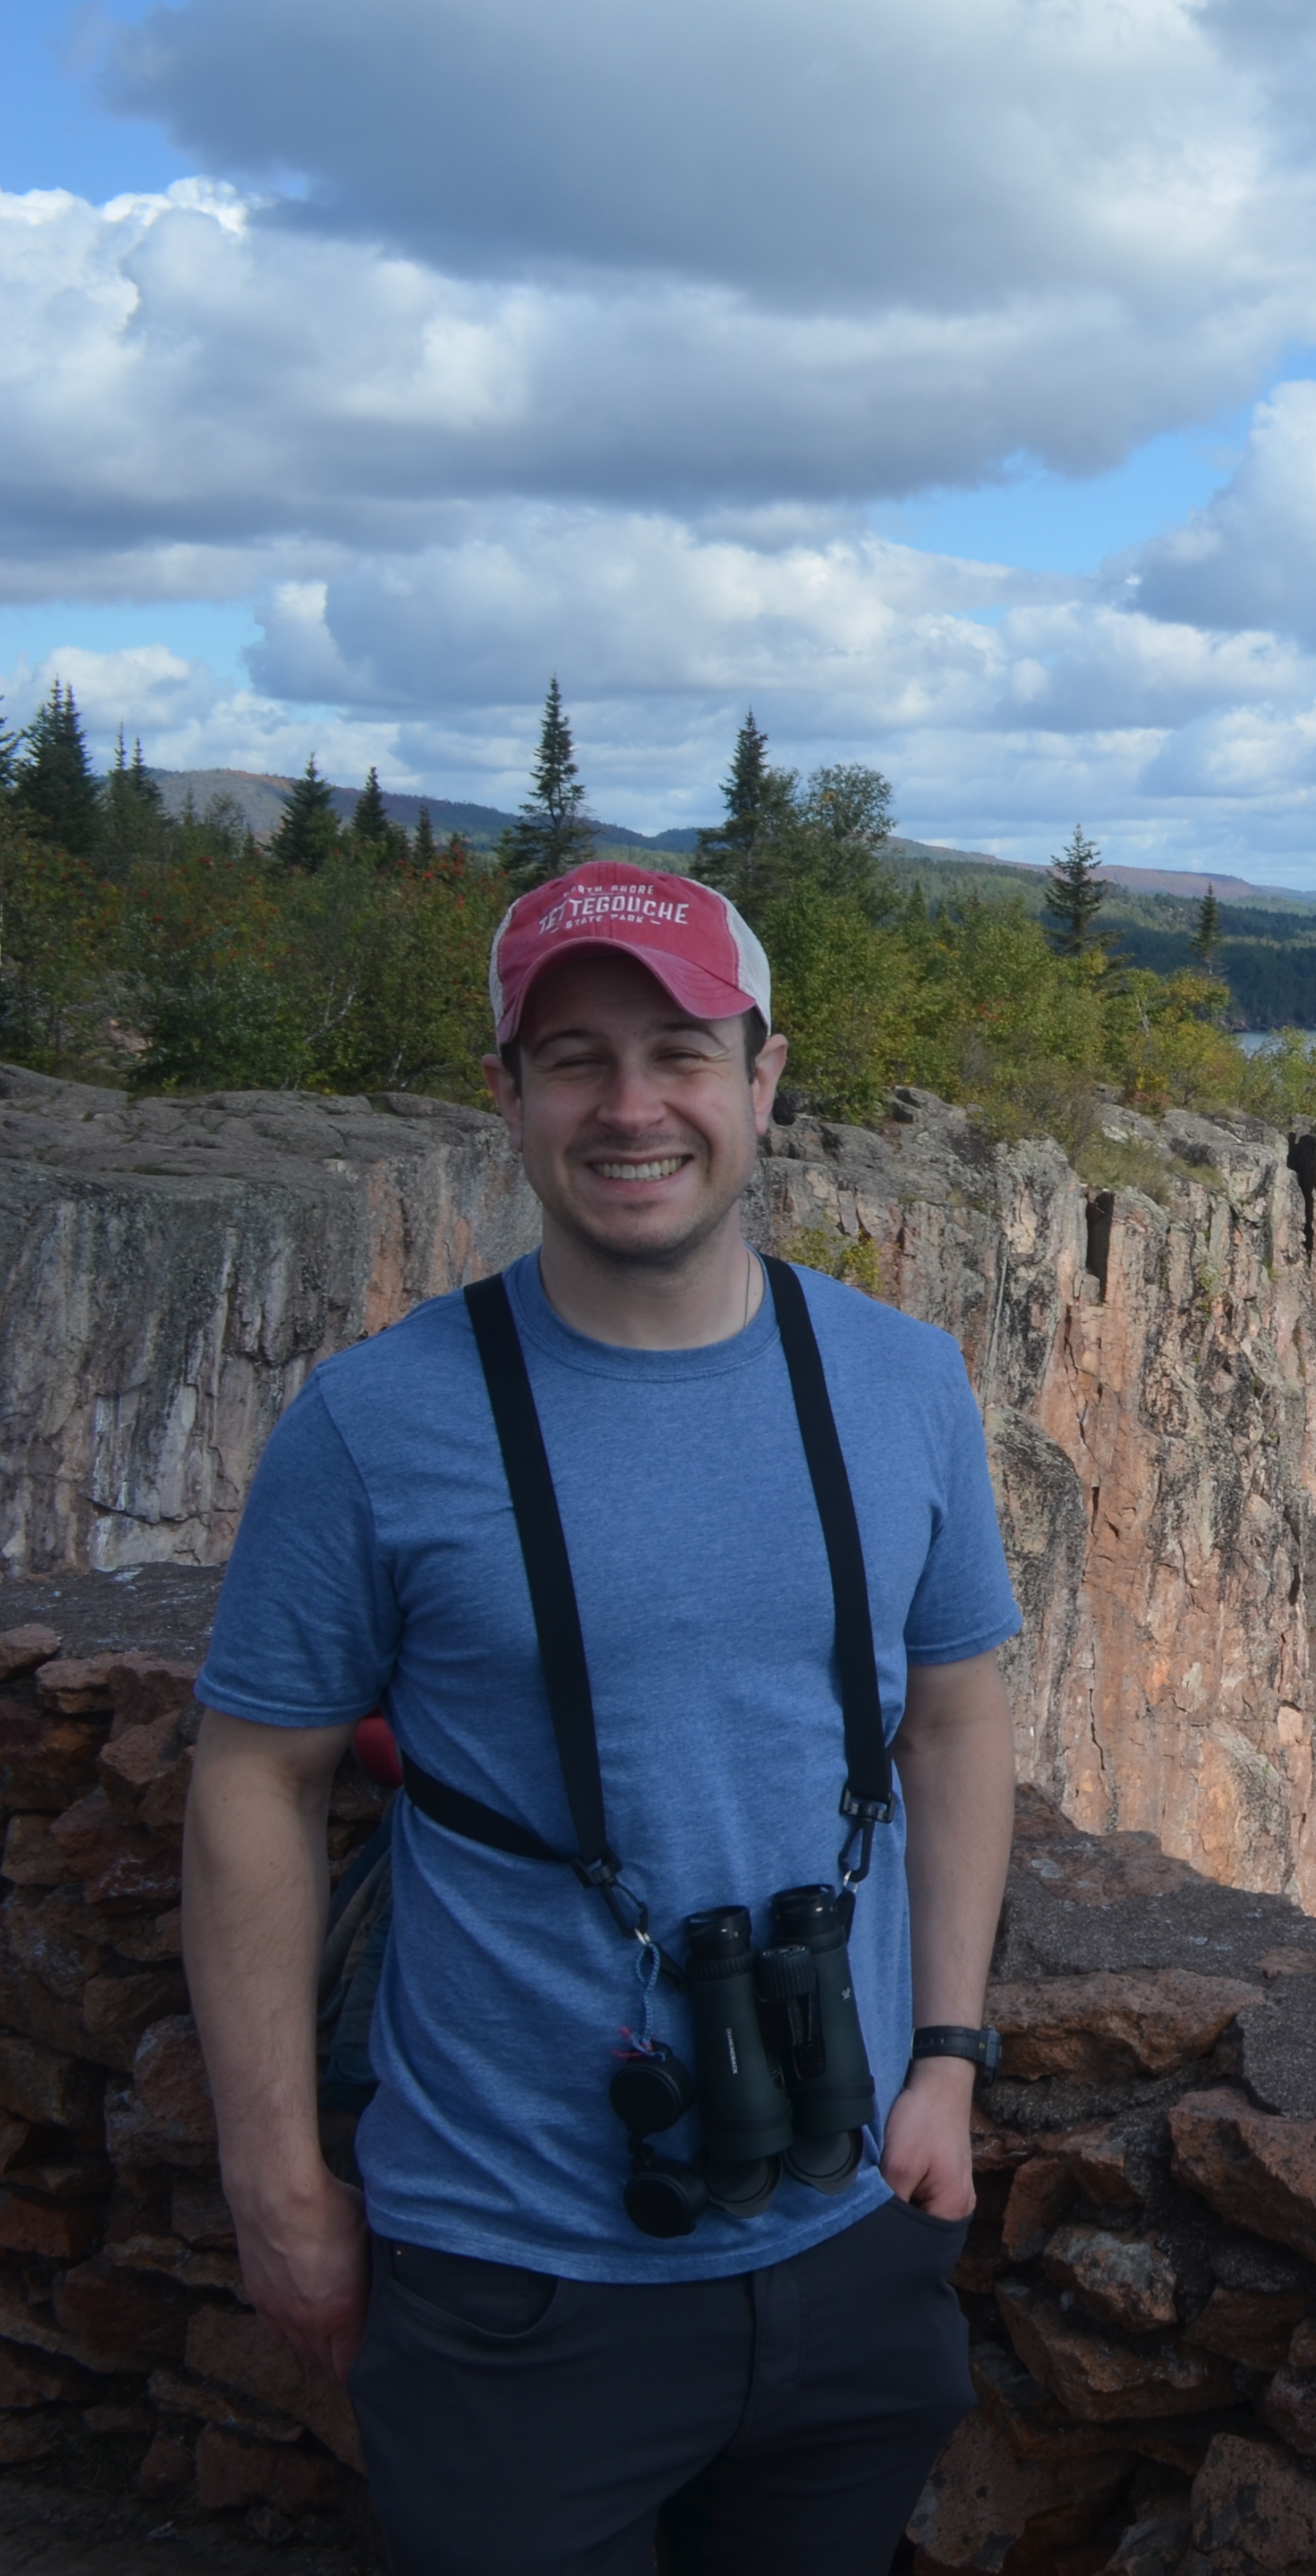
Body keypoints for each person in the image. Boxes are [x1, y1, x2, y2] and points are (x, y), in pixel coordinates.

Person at [184, 860, 1021, 2575]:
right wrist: (276, 2185)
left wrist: (946, 2059)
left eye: (681, 1052)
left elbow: (951, 1725)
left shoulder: (904, 1383)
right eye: (574, 1058)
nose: (632, 1107)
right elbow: (254, 1782)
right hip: (514, 2271)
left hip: (851, 2235)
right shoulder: (373, 1427)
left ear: (763, 1079)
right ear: (506, 1094)